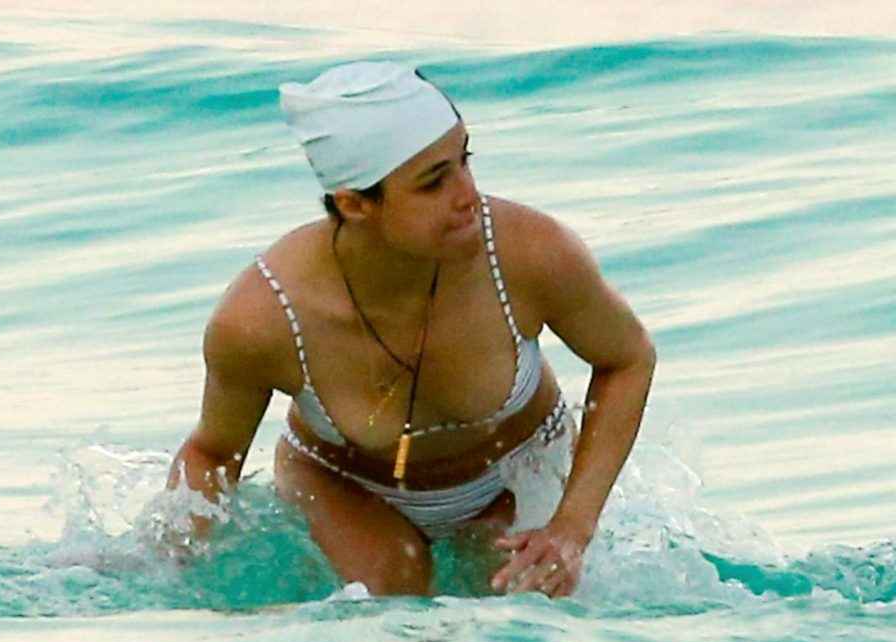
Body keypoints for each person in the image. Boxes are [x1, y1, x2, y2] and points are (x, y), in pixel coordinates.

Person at [166, 62, 655, 598]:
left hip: (513, 473)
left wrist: (572, 527)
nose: (468, 194)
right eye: (433, 182)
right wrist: (179, 573)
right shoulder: (263, 319)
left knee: (512, 602)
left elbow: (627, 359)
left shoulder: (529, 253)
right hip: (345, 485)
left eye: (465, 160)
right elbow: (213, 453)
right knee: (388, 598)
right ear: (355, 203)